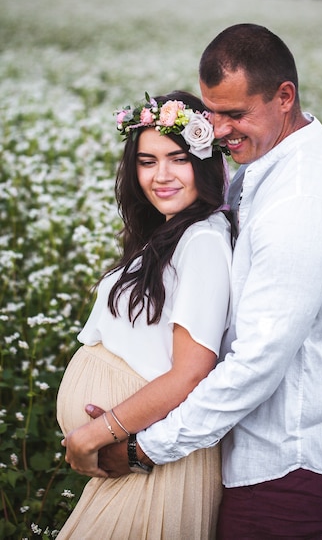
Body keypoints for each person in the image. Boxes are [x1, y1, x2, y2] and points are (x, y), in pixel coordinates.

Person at [85, 24, 322, 539]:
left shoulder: (300, 200)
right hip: (242, 447)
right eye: (211, 111)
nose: (218, 131)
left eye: (236, 114)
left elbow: (257, 363)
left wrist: (140, 445)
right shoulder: (267, 166)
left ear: (285, 97)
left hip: (283, 461)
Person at [56, 91, 233, 539]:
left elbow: (191, 372)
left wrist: (95, 433)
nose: (162, 176)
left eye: (178, 158)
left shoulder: (203, 240)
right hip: (134, 463)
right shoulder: (169, 235)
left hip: (155, 466)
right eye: (147, 161)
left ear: (206, 161)